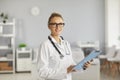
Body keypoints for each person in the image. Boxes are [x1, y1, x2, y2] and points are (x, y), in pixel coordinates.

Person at [37, 12, 91, 80]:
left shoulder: (66, 43)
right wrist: (66, 70)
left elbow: (70, 64)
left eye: (60, 24)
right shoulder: (45, 45)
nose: (58, 27)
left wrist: (82, 66)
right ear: (49, 26)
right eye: (54, 24)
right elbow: (42, 72)